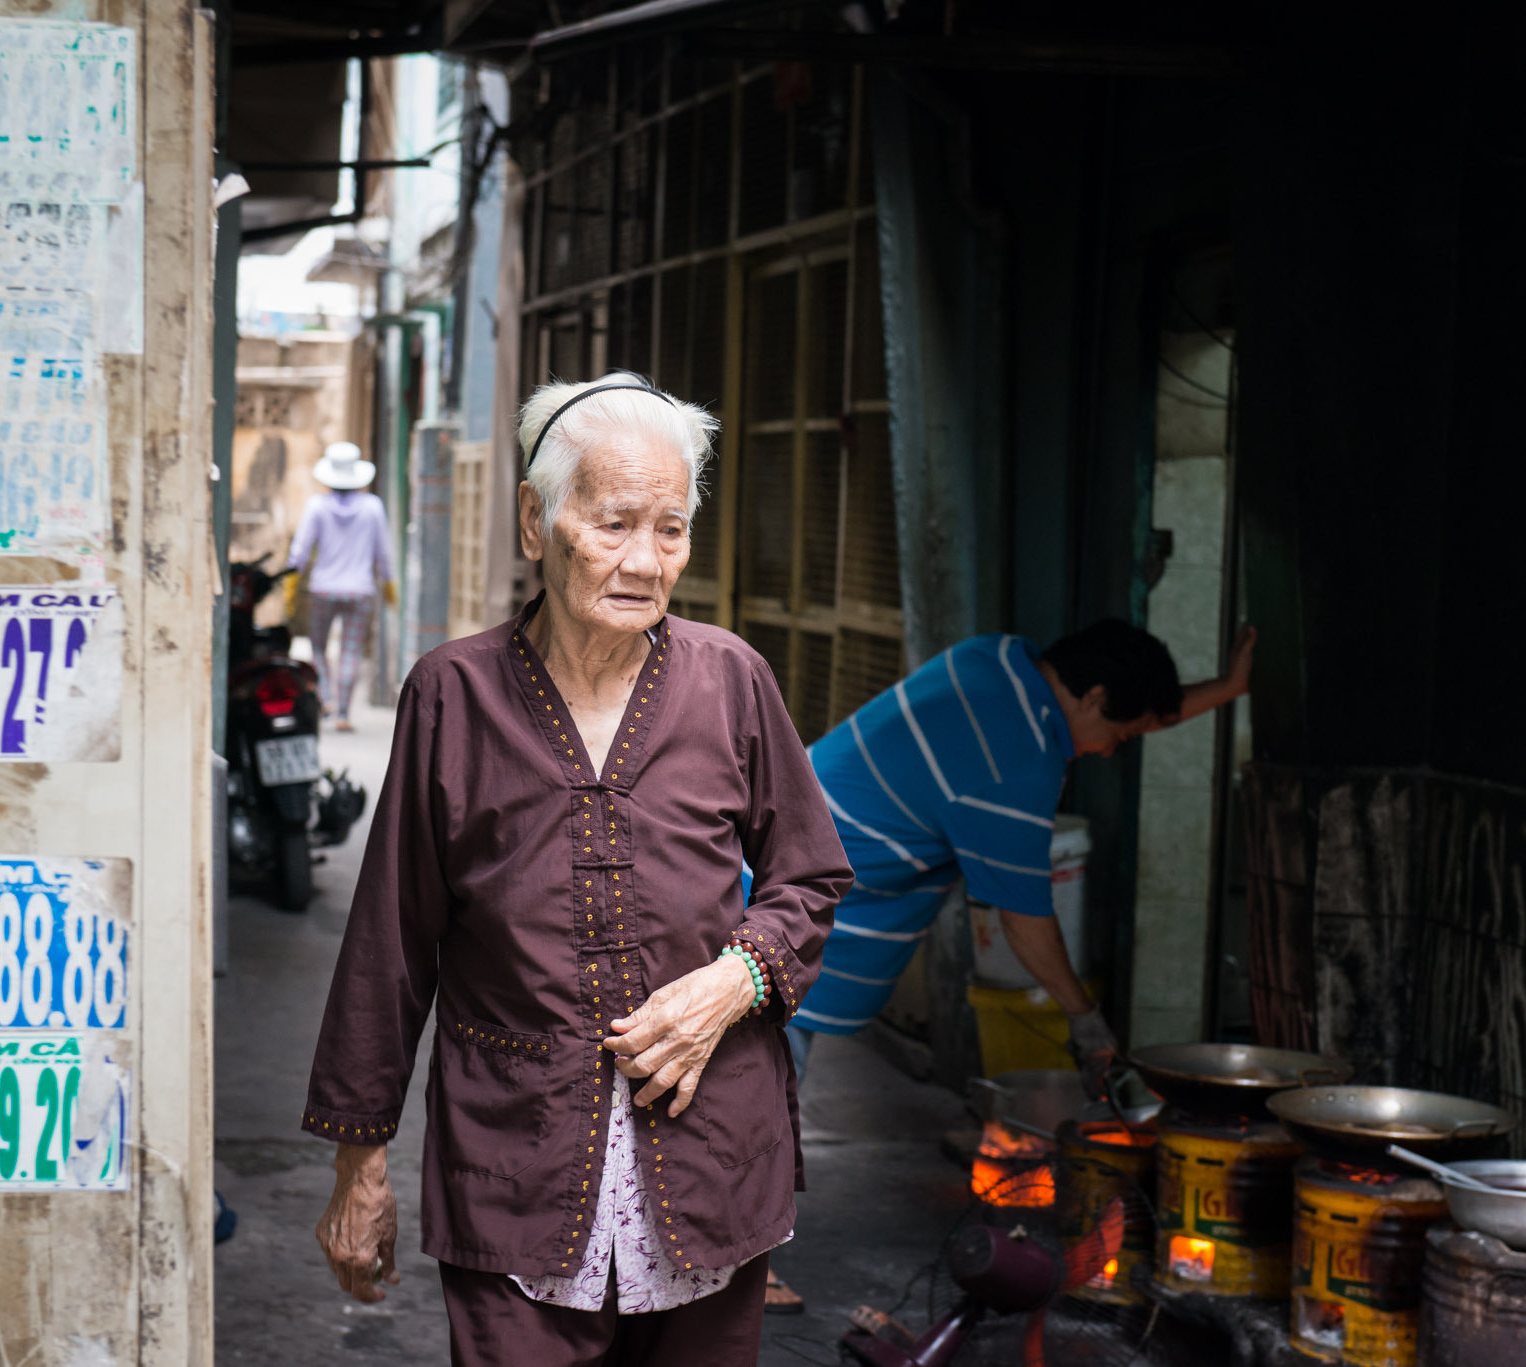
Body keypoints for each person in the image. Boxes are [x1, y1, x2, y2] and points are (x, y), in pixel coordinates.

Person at [302, 373, 852, 1367]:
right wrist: (360, 1157)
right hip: (514, 1159)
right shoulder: (452, 694)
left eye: (671, 529)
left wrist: (737, 979)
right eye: (612, 524)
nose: (644, 561)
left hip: (713, 1153)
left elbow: (809, 875)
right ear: (534, 519)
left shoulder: (730, 679)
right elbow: (390, 938)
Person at [762, 616, 1254, 1312]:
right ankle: (729, 1269)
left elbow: (1127, 709)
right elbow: (1025, 923)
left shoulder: (993, 664)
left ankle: (706, 1255)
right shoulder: (1017, 757)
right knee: (757, 1103)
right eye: (1125, 733)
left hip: (772, 870)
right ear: (1093, 696)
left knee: (755, 1093)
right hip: (771, 910)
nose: (1114, 751)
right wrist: (1087, 1022)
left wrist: (1229, 687)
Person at [282, 441, 397, 731]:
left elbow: (301, 549)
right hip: (360, 591)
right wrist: (389, 584)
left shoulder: (317, 507)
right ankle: (343, 713)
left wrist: (291, 582)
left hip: (323, 589)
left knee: (318, 647)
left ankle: (327, 699)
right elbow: (383, 552)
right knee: (351, 651)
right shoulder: (372, 507)